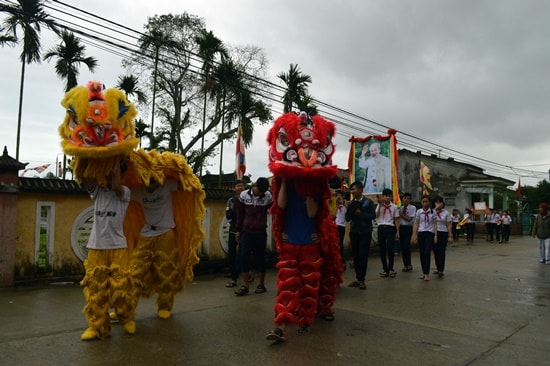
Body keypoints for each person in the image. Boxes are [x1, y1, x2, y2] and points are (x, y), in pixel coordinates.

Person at [80, 159, 135, 340]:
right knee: (96, 289)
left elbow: (116, 184)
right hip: (96, 246)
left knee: (121, 286)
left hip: (117, 245)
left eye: (114, 171)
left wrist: (114, 158)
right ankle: (97, 326)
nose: (109, 174)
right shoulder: (97, 192)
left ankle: (125, 317)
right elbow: (85, 179)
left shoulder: (124, 193)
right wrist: (86, 156)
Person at [125, 177, 184, 323]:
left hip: (166, 234)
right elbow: (120, 188)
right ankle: (127, 309)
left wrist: (176, 167)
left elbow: (186, 184)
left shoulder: (168, 184)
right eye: (149, 180)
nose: (152, 183)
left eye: (155, 179)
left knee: (166, 273)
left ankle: (164, 307)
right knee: (134, 273)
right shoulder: (138, 190)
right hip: (146, 234)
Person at [234, 177, 273, 296]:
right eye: (259, 190)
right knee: (244, 256)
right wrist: (238, 230)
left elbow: (274, 210)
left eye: (263, 192)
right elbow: (240, 214)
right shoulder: (244, 195)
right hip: (246, 231)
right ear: (254, 186)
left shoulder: (268, 196)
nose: (260, 193)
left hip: (260, 232)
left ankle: (261, 284)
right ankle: (245, 285)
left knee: (260, 258)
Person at [345, 181, 376, 290]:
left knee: (363, 256)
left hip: (365, 232)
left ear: (360, 190)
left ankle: (362, 279)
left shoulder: (368, 202)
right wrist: (349, 211)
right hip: (354, 232)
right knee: (356, 256)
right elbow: (347, 218)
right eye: (351, 190)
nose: (352, 191)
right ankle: (358, 278)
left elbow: (373, 216)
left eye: (354, 189)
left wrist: (361, 214)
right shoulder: (351, 203)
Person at [412, 195, 437, 281]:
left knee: (427, 252)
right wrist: (414, 235)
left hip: (429, 233)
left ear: (429, 202)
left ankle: (427, 273)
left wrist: (436, 235)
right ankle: (424, 272)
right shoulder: (419, 212)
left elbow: (435, 224)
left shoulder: (433, 212)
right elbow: (416, 223)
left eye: (426, 201)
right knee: (422, 253)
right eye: (423, 202)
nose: (425, 203)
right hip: (421, 233)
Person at [225, 180, 245, 287]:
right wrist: (232, 209)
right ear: (234, 188)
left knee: (243, 254)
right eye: (238, 186)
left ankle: (244, 273)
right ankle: (234, 278)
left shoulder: (247, 199)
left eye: (242, 186)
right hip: (233, 230)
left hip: (244, 230)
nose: (241, 188)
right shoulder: (230, 201)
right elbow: (228, 216)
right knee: (232, 255)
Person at [375, 188, 400, 278]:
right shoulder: (379, 206)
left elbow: (396, 219)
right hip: (381, 227)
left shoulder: (394, 207)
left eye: (389, 196)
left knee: (390, 248)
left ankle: (391, 268)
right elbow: (376, 216)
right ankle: (385, 269)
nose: (387, 198)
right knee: (382, 249)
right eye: (385, 196)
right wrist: (380, 205)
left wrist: (397, 231)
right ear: (383, 196)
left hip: (390, 228)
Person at [432, 196, 452, 278]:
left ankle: (441, 269)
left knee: (441, 251)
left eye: (440, 202)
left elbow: (449, 224)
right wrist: (435, 210)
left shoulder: (446, 213)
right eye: (436, 202)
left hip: (443, 232)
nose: (439, 204)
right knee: (435, 251)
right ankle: (437, 266)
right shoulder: (432, 212)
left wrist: (450, 236)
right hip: (433, 233)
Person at [399, 192, 416, 272]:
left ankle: (409, 263)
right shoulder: (401, 208)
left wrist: (401, 214)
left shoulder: (412, 208)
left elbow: (409, 219)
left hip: (408, 228)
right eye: (404, 198)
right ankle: (405, 264)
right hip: (401, 228)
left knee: (406, 247)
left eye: (408, 198)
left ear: (410, 200)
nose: (406, 200)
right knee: (402, 247)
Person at [334, 190, 348, 269]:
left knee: (340, 244)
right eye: (337, 196)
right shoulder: (334, 206)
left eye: (340, 196)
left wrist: (344, 204)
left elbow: (347, 213)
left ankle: (342, 261)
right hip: (335, 225)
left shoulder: (344, 206)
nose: (338, 198)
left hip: (341, 226)